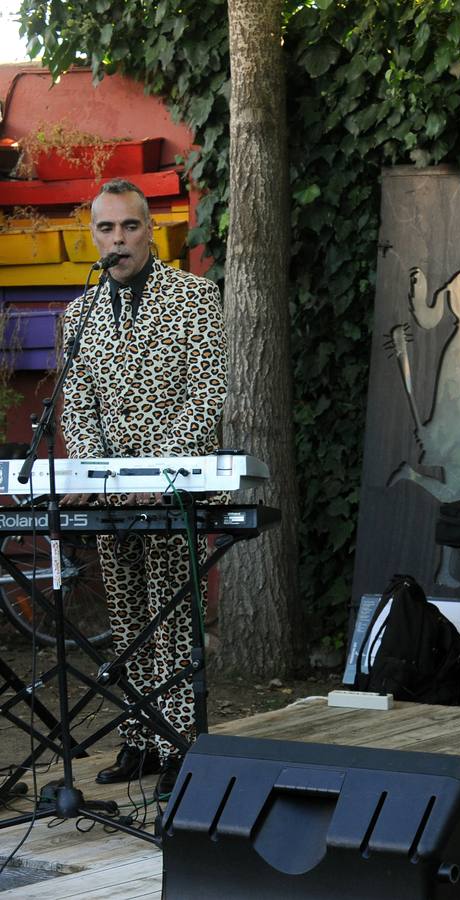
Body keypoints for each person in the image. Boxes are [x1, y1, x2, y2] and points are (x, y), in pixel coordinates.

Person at [61, 179, 227, 797]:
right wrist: (101, 473)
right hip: (111, 495)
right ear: (94, 236)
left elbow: (207, 395)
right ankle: (140, 739)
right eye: (106, 229)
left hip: (175, 491)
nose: (118, 239)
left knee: (173, 617)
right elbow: (77, 407)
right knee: (128, 619)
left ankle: (182, 745)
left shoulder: (194, 297)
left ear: (150, 230)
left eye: (129, 226)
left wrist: (159, 475)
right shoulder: (78, 315)